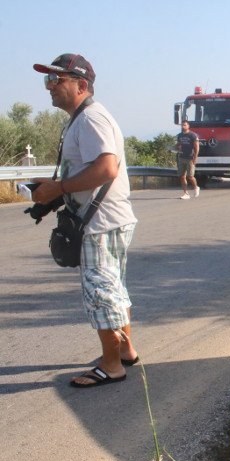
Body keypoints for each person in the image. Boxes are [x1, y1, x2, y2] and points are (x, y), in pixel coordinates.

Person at [31, 53, 139, 388]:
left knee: (101, 292)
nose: (49, 87)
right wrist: (55, 195)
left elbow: (107, 168)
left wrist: (59, 187)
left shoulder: (91, 118)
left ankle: (111, 366)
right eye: (47, 80)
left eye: (56, 80)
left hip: (99, 223)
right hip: (106, 218)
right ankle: (125, 353)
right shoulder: (82, 117)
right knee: (113, 288)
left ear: (81, 85)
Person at [176, 120, 200, 199]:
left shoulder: (193, 135)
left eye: (185, 125)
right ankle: (186, 193)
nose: (183, 126)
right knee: (182, 176)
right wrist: (174, 147)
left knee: (190, 176)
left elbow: (196, 147)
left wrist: (195, 158)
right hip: (181, 157)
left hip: (190, 158)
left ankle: (196, 187)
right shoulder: (179, 135)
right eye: (182, 125)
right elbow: (178, 145)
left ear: (188, 126)